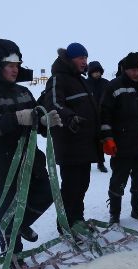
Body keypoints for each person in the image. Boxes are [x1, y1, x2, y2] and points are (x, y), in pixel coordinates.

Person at [0, 39, 59, 268]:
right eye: (10, 64)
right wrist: (16, 118)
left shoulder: (23, 91)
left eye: (17, 63)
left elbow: (34, 123)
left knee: (48, 193)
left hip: (31, 164)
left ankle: (22, 224)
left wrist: (44, 121)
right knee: (7, 215)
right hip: (3, 168)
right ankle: (13, 257)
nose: (15, 68)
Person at [100, 52, 138, 225]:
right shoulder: (114, 87)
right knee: (118, 182)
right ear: (125, 69)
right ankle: (115, 214)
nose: (136, 73)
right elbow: (105, 116)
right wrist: (107, 138)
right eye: (132, 70)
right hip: (121, 146)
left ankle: (137, 210)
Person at [44, 43, 100, 230]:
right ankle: (65, 224)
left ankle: (77, 220)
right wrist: (70, 118)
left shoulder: (80, 79)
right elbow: (53, 104)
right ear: (69, 59)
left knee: (82, 185)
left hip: (84, 144)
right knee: (71, 188)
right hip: (69, 145)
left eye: (85, 57)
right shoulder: (57, 79)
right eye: (80, 58)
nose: (84, 61)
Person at [86, 60, 109, 173]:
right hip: (90, 116)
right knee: (89, 141)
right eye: (95, 72)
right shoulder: (85, 84)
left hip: (103, 115)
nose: (97, 74)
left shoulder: (105, 83)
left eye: (99, 72)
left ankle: (101, 162)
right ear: (90, 72)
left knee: (102, 140)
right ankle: (87, 162)